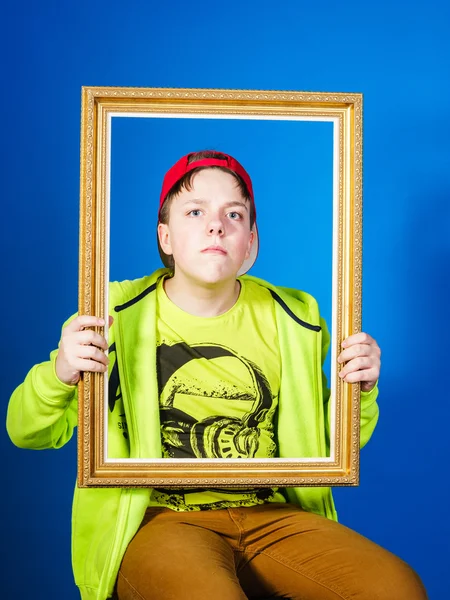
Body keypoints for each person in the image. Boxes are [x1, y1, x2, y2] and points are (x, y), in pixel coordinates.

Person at [7, 151, 427, 600]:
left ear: (250, 241)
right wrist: (61, 372)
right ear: (165, 236)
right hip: (157, 519)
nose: (216, 225)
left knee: (397, 589)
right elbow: (25, 430)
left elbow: (327, 448)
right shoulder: (112, 313)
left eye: (234, 213)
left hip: (271, 515)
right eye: (195, 211)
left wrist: (358, 391)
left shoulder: (295, 317)